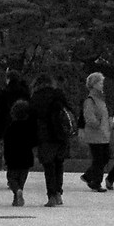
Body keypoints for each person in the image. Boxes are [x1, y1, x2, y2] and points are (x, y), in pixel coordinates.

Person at [29, 74, 73, 206]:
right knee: (59, 164)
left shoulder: (36, 97)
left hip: (45, 135)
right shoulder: (58, 94)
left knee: (49, 166)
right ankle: (59, 193)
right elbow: (69, 110)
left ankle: (51, 195)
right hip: (61, 134)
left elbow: (32, 117)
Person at [0, 73, 35, 207]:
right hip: (26, 158)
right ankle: (19, 191)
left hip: (13, 158)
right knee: (21, 178)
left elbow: (7, 143)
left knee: (12, 178)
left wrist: (5, 157)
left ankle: (17, 192)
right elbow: (33, 141)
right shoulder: (29, 127)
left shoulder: (11, 128)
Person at [80, 71, 112, 191]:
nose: (102, 85)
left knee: (105, 158)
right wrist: (97, 123)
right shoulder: (90, 100)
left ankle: (88, 176)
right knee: (99, 159)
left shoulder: (101, 99)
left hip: (103, 134)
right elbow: (89, 117)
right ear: (93, 84)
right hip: (95, 135)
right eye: (100, 82)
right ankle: (96, 182)